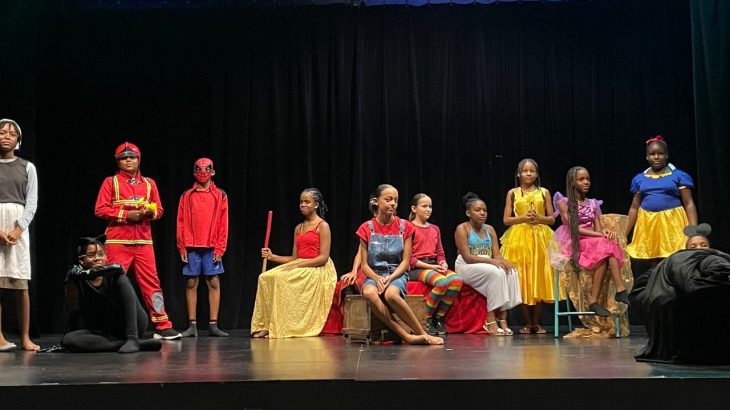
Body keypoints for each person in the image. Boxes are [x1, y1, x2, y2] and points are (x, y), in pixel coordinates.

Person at [94, 142, 181, 340]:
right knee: (111, 283)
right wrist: (126, 215)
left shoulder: (149, 184)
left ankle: (162, 325)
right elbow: (100, 209)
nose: (128, 160)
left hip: (143, 242)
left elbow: (159, 210)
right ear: (118, 162)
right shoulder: (111, 182)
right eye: (124, 158)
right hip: (118, 241)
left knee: (152, 284)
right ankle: (106, 325)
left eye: (132, 157)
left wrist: (150, 213)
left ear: (139, 159)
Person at [630, 224, 730, 364]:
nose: (699, 249)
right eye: (693, 246)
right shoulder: (677, 259)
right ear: (685, 249)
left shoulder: (714, 257)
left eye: (704, 245)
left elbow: (720, 268)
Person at [357, 184, 443, 345]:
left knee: (391, 295)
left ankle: (423, 333)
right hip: (375, 274)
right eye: (388, 199)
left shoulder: (405, 227)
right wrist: (377, 278)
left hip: (397, 273)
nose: (393, 204)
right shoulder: (366, 228)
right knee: (369, 293)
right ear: (376, 201)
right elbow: (364, 265)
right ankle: (406, 336)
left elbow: (405, 261)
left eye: (395, 200)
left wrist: (390, 278)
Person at [251, 188, 337, 338]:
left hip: (317, 267)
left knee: (281, 279)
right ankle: (266, 324)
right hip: (299, 264)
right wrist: (272, 256)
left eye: (307, 202)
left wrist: (298, 265)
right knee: (264, 277)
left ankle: (281, 326)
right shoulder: (299, 228)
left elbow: (323, 257)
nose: (303, 205)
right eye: (301, 202)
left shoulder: (322, 226)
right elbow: (294, 258)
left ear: (316, 205)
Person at [62, 236, 162, 353]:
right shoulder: (76, 279)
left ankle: (133, 340)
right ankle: (134, 344)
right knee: (69, 340)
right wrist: (64, 340)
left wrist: (132, 337)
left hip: (130, 324)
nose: (97, 258)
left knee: (122, 279)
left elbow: (129, 305)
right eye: (91, 255)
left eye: (101, 254)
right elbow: (74, 311)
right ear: (81, 259)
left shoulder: (115, 275)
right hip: (104, 329)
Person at [552, 166, 629, 317]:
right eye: (581, 179)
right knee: (606, 246)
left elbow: (598, 227)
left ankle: (605, 297)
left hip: (592, 241)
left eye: (587, 179)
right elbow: (574, 229)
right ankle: (618, 291)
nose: (586, 182)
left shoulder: (593, 203)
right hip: (575, 241)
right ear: (572, 182)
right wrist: (599, 235)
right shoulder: (564, 202)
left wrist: (604, 233)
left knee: (609, 244)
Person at [500, 158, 557, 334]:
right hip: (519, 239)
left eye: (532, 171)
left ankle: (536, 323)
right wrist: (523, 218)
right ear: (519, 174)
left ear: (537, 174)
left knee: (538, 276)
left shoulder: (544, 192)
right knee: (523, 278)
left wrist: (538, 218)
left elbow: (552, 219)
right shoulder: (513, 193)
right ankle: (527, 322)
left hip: (540, 237)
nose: (528, 174)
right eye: (525, 171)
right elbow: (506, 219)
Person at [454, 192, 521, 336]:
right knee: (495, 272)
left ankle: (503, 318)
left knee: (511, 271)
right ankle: (490, 320)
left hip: (486, 263)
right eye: (478, 210)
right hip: (466, 265)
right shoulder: (462, 228)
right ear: (468, 213)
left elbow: (496, 254)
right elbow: (467, 257)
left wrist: (504, 262)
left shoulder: (489, 229)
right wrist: (493, 261)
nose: (482, 213)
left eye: (484, 210)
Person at [176, 158, 229, 337]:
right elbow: (180, 221)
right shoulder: (187, 195)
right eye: (198, 169)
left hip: (211, 246)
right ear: (194, 172)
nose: (203, 172)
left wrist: (220, 249)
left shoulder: (220, 195)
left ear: (212, 172)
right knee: (191, 282)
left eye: (206, 169)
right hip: (191, 245)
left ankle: (213, 324)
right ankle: (192, 325)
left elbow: (224, 223)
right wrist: (182, 246)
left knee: (213, 281)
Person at [626, 136, 698, 264]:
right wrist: (624, 233)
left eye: (660, 153)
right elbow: (634, 207)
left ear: (666, 155)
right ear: (647, 157)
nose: (656, 157)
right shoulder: (639, 179)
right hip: (648, 222)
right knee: (653, 260)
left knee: (675, 258)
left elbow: (688, 203)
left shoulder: (679, 176)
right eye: (652, 154)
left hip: (672, 222)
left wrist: (693, 230)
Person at [0, 118, 39, 352]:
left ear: (18, 140)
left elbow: (31, 201)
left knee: (20, 283)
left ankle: (25, 337)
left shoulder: (27, 167)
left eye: (11, 133)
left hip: (17, 225)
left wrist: (19, 228)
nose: (6, 136)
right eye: (2, 132)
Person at [407, 193, 462, 336]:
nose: (428, 209)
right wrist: (431, 267)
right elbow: (409, 259)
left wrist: (443, 263)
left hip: (433, 264)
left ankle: (438, 318)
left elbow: (440, 252)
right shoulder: (409, 228)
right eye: (424, 206)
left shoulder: (434, 228)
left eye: (430, 206)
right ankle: (426, 318)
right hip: (416, 268)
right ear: (414, 208)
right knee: (442, 282)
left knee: (456, 280)